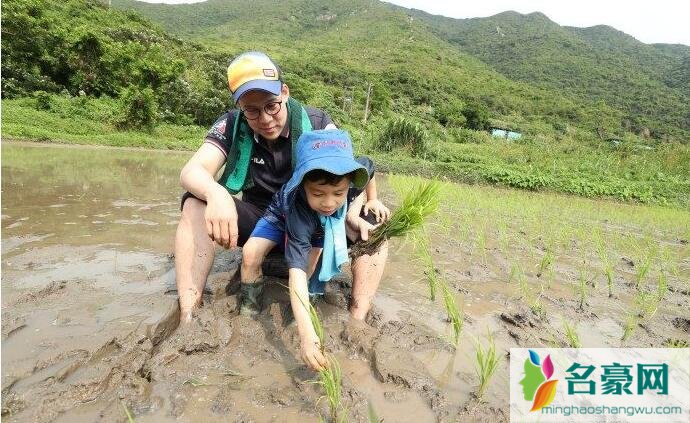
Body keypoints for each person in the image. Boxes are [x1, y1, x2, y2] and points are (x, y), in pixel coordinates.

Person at [175, 51, 339, 323]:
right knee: (194, 201)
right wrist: (217, 193)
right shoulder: (231, 124)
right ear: (240, 106)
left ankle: (358, 315)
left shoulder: (318, 124)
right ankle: (189, 311)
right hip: (258, 224)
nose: (264, 118)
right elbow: (192, 171)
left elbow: (343, 172)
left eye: (271, 105)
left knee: (372, 220)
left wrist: (366, 202)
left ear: (284, 92)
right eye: (251, 110)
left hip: (306, 223)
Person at [246, 129, 390, 371]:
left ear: (349, 183)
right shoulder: (298, 211)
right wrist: (307, 337)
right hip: (279, 215)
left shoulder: (351, 178)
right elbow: (296, 273)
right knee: (250, 254)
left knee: (313, 260)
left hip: (318, 222)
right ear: (302, 184)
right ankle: (248, 309)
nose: (329, 202)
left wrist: (372, 199)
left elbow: (370, 167)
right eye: (318, 193)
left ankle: (304, 308)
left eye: (338, 194)